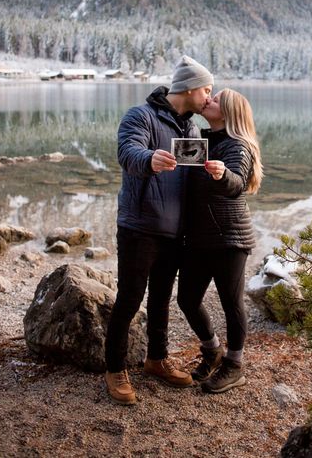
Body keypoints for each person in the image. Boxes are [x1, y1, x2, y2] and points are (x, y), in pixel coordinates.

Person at [104, 55, 214, 405]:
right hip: (140, 225)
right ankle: (115, 368)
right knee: (130, 298)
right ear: (190, 88)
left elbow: (192, 179)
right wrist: (149, 159)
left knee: (162, 299)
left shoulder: (192, 128)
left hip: (175, 230)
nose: (210, 97)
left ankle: (156, 359)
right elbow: (127, 151)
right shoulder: (141, 116)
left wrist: (214, 173)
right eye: (207, 90)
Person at [177, 88, 263, 394]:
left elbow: (237, 183)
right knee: (186, 299)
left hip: (229, 239)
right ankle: (212, 349)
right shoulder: (202, 140)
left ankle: (234, 365)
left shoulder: (238, 146)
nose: (208, 101)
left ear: (226, 112)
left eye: (215, 100)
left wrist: (222, 174)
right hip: (198, 238)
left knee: (231, 303)